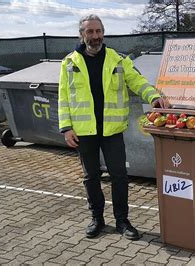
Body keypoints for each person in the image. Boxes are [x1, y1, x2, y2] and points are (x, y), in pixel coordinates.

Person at [58, 14, 169, 240]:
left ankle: (122, 221)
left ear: (103, 33)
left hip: (112, 130)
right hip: (84, 131)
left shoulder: (117, 60)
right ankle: (97, 219)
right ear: (82, 34)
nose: (95, 36)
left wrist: (154, 96)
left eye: (98, 31)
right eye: (90, 32)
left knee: (119, 176)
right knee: (91, 177)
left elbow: (137, 81)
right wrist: (66, 127)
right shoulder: (69, 63)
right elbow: (63, 97)